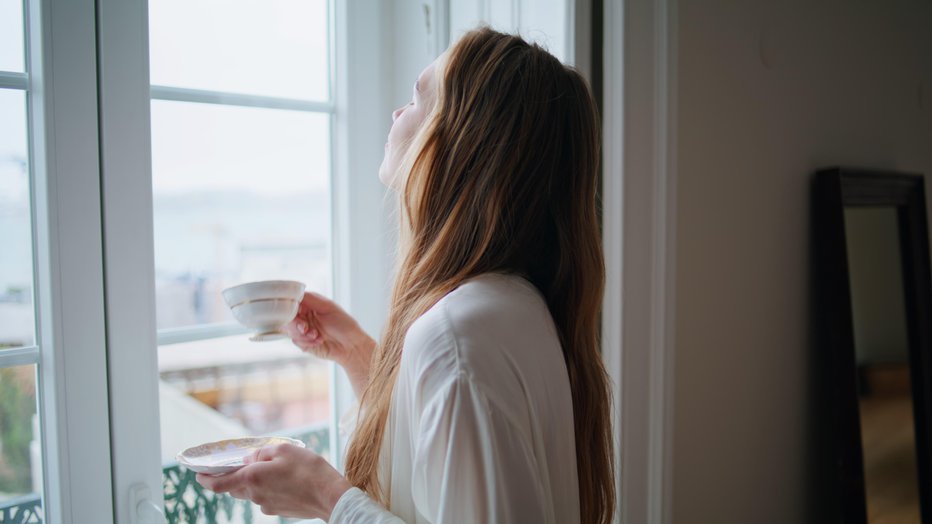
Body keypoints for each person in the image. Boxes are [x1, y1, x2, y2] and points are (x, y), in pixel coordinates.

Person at [197, 27, 615, 523]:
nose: (397, 112)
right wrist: (355, 350)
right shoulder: (514, 305)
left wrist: (325, 497)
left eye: (418, 95)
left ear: (464, 140)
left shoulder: (459, 335)